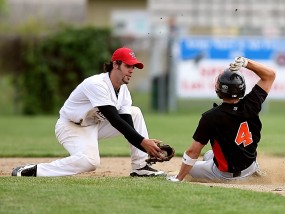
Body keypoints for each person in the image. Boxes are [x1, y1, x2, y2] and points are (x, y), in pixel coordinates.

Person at [12, 47, 165, 177]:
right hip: (71, 126)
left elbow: (127, 124)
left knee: (135, 112)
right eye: (128, 66)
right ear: (116, 65)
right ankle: (34, 170)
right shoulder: (97, 84)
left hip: (94, 125)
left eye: (134, 67)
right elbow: (114, 120)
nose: (132, 70)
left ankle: (140, 168)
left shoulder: (123, 90)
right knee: (90, 162)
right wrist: (144, 142)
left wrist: (146, 147)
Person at [167, 57, 276, 182]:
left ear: (219, 89)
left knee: (188, 168)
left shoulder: (210, 117)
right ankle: (253, 171)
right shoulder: (252, 104)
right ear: (242, 88)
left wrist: (179, 177)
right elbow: (270, 75)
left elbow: (193, 152)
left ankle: (197, 176)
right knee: (209, 154)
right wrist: (246, 63)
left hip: (225, 175)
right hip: (249, 167)